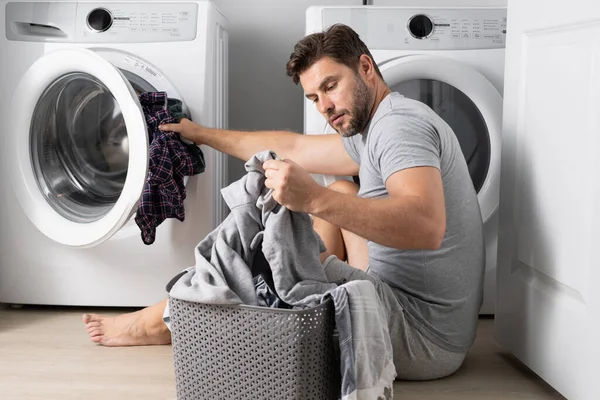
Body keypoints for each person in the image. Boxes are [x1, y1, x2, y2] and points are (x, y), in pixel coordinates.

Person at [83, 23, 484, 380]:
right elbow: (290, 145)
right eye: (314, 97)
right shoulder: (371, 127)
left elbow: (426, 227)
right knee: (342, 191)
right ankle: (219, 302)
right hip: (431, 321)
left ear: (365, 68)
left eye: (331, 86)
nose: (325, 106)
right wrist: (200, 134)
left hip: (418, 336)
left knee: (275, 232)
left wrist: (312, 198)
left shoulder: (398, 126)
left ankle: (166, 320)